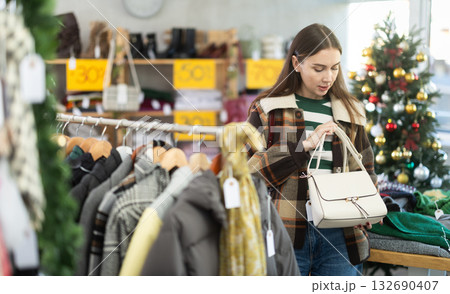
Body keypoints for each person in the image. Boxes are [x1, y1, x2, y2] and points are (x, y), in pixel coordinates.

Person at [246, 23, 377, 276]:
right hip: (284, 234)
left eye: (334, 68)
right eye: (319, 68)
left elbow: (367, 168)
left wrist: (368, 205)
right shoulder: (269, 109)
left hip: (342, 235)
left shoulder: (351, 111)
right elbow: (247, 172)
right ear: (297, 63)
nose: (328, 77)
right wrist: (302, 147)